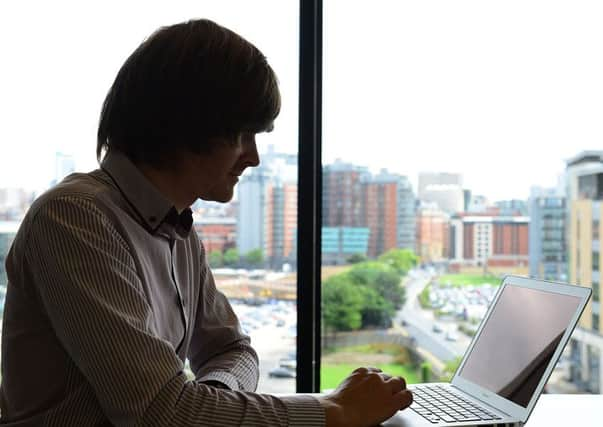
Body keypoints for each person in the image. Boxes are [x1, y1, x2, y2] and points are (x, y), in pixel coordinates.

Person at [0, 19, 413, 426]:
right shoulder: (74, 218)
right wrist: (333, 412)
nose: (253, 157)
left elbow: (235, 351)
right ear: (190, 123)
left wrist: (211, 403)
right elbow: (159, 413)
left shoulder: (177, 228)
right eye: (243, 134)